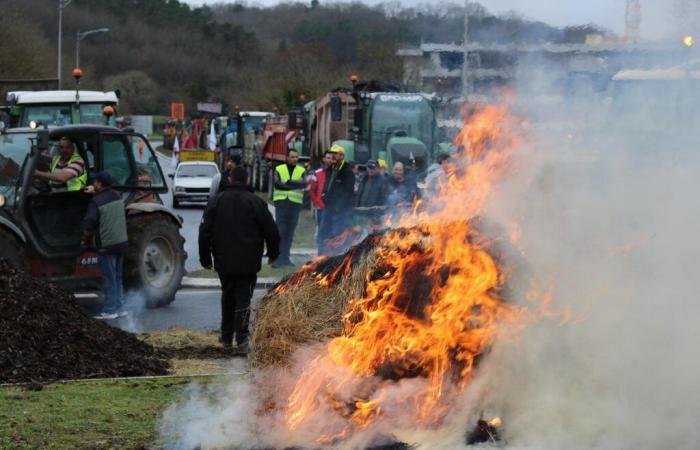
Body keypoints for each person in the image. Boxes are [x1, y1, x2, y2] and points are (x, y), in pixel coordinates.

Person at [199, 166, 280, 354]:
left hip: (223, 260)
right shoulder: (256, 202)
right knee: (243, 298)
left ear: (230, 178)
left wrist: (205, 258)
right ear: (247, 179)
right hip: (248, 261)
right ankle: (242, 339)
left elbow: (204, 232)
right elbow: (272, 231)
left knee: (227, 296)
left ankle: (226, 336)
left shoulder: (216, 201)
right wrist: (273, 254)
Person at [80, 171, 129, 320]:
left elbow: (89, 223)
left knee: (109, 279)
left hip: (106, 245)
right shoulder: (117, 196)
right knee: (118, 277)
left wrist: (83, 240)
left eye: (95, 182)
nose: (93, 184)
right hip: (121, 243)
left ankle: (109, 310)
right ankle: (120, 307)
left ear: (100, 184)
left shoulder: (96, 201)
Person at [272, 148, 306, 267]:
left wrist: (287, 182)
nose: (295, 159)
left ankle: (286, 258)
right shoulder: (279, 169)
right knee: (281, 231)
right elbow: (277, 183)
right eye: (292, 157)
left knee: (290, 232)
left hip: (295, 205)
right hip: (282, 204)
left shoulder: (301, 170)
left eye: (296, 157)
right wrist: (293, 184)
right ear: (287, 158)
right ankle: (279, 258)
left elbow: (303, 184)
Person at [320, 144, 355, 254]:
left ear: (342, 155)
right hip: (328, 209)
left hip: (340, 212)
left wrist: (338, 208)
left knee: (337, 235)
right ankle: (322, 258)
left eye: (335, 154)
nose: (333, 156)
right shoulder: (331, 169)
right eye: (332, 153)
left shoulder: (347, 171)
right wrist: (324, 197)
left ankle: (336, 259)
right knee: (323, 234)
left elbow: (348, 193)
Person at [309, 150, 333, 254]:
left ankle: (330, 255)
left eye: (332, 158)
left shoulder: (336, 174)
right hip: (321, 208)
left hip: (332, 208)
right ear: (323, 159)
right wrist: (317, 203)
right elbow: (312, 190)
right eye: (328, 158)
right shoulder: (317, 173)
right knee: (322, 233)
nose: (330, 160)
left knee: (333, 233)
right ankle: (321, 254)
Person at [355, 160, 387, 232]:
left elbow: (385, 200)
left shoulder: (383, 181)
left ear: (378, 168)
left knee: (370, 237)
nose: (370, 170)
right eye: (369, 167)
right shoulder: (364, 178)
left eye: (373, 168)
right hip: (361, 213)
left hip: (373, 216)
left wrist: (378, 214)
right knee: (359, 236)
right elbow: (359, 195)